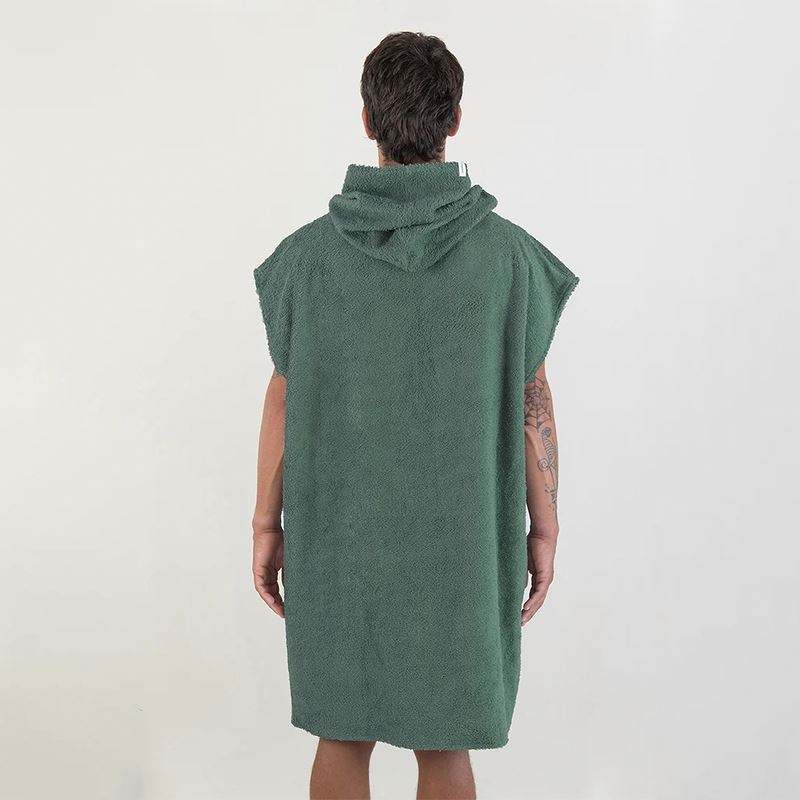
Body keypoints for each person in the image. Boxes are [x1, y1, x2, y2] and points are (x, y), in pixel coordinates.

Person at [251, 31, 578, 800]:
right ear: (454, 118)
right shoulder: (507, 258)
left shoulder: (306, 260)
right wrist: (544, 526)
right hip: (461, 547)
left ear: (367, 119)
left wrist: (266, 523)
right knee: (445, 741)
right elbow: (532, 398)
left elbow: (284, 396)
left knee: (341, 732)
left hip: (339, 543)